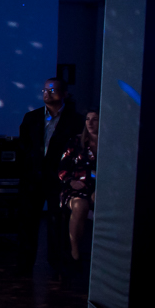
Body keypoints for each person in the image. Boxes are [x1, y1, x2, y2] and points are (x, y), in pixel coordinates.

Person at [17, 77, 83, 276]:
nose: (47, 93)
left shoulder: (75, 120)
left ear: (64, 94)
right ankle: (24, 265)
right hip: (33, 178)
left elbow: (77, 150)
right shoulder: (32, 118)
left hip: (58, 179)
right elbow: (22, 147)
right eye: (45, 90)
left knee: (57, 222)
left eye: (52, 90)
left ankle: (57, 264)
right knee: (28, 222)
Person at [58, 110, 98, 262]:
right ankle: (74, 252)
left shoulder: (110, 144)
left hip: (100, 188)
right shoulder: (76, 142)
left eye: (95, 119)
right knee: (80, 205)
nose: (90, 122)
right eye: (88, 119)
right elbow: (62, 169)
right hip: (76, 187)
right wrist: (70, 181)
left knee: (99, 200)